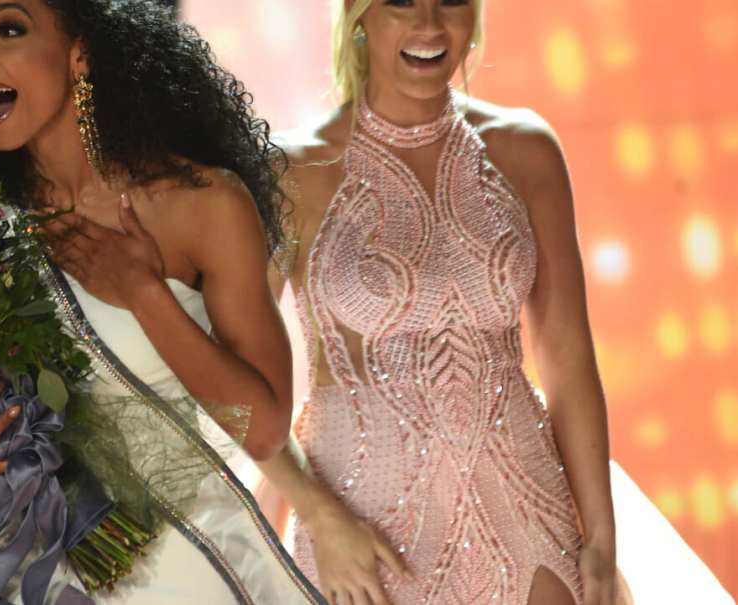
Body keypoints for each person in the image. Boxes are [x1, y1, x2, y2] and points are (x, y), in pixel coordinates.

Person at [0, 0, 326, 603]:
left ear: (81, 53)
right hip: (30, 574)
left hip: (192, 568)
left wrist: (143, 293)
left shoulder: (200, 203)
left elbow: (265, 431)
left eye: (9, 28)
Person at [259, 1, 621, 603]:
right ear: (357, 15)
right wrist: (320, 516)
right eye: (401, 1)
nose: (429, 23)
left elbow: (567, 356)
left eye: (450, 0)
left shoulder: (526, 151)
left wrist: (602, 538)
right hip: (361, 541)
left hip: (527, 521)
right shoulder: (289, 174)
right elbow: (232, 385)